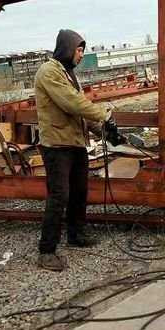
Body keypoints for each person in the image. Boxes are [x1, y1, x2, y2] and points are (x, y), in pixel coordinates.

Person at [35, 29, 110, 272]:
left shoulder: (69, 74)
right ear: (67, 49)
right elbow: (71, 103)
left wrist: (102, 130)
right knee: (59, 196)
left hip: (75, 143)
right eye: (79, 50)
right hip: (57, 146)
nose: (81, 55)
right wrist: (103, 115)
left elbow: (79, 112)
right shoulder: (49, 72)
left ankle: (76, 234)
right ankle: (47, 251)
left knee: (79, 191)